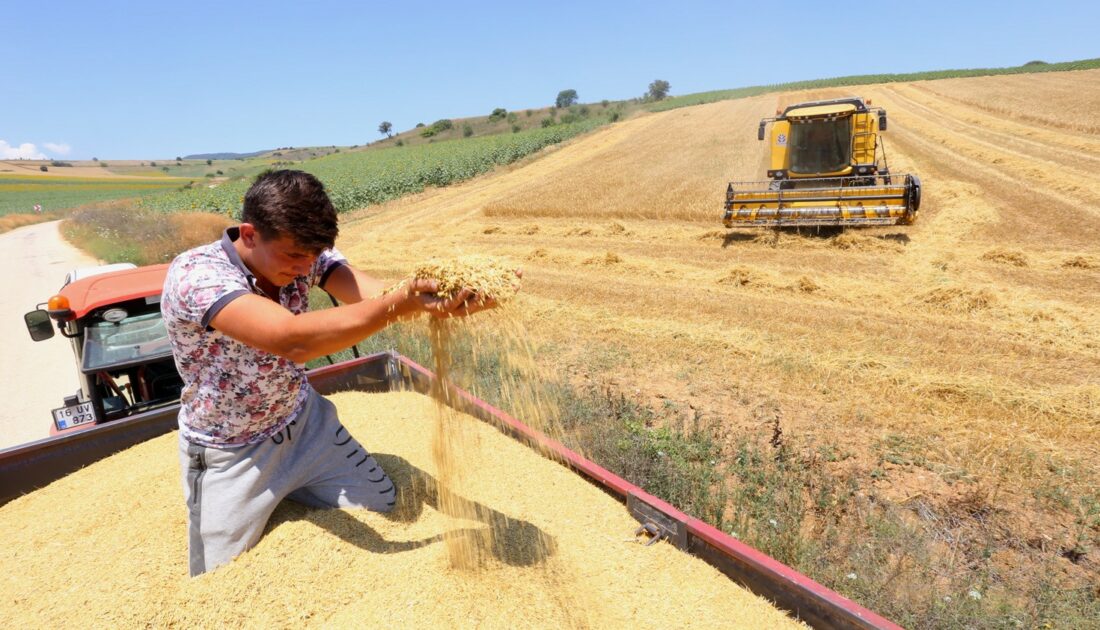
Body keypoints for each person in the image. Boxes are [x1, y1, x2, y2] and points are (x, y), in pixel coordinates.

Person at [161, 169, 499, 576]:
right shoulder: (197, 275)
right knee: (218, 576)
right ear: (250, 234)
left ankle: (299, 485)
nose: (306, 269)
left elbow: (373, 296)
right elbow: (291, 340)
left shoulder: (302, 253)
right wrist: (402, 303)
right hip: (232, 451)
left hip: (305, 426)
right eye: (293, 257)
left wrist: (436, 298)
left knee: (386, 504)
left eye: (313, 256)